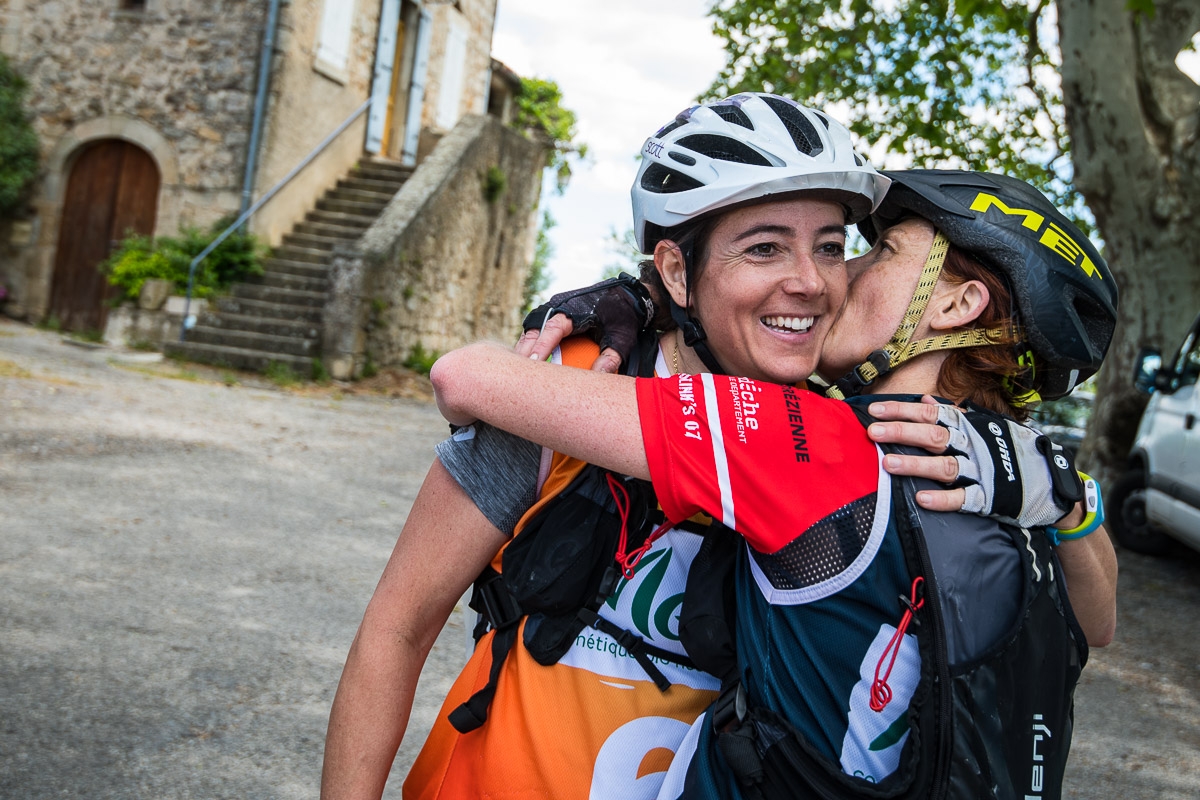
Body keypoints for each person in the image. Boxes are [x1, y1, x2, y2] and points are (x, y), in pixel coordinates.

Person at [430, 168, 1118, 799]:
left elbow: (467, 377)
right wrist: (1071, 503)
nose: (840, 274)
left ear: (957, 304)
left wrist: (650, 299)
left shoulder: (808, 440)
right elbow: (1100, 622)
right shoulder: (1012, 479)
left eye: (883, 254)